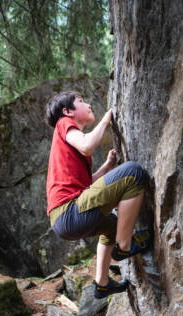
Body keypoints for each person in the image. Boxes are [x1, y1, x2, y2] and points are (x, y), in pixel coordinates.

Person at [45, 91, 150, 299]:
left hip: (64, 220)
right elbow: (86, 146)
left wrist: (107, 166)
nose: (89, 104)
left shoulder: (68, 146)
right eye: (81, 102)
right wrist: (106, 119)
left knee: (112, 225)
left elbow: (86, 185)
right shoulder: (64, 124)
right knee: (134, 172)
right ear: (67, 112)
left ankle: (102, 283)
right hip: (70, 211)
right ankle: (125, 246)